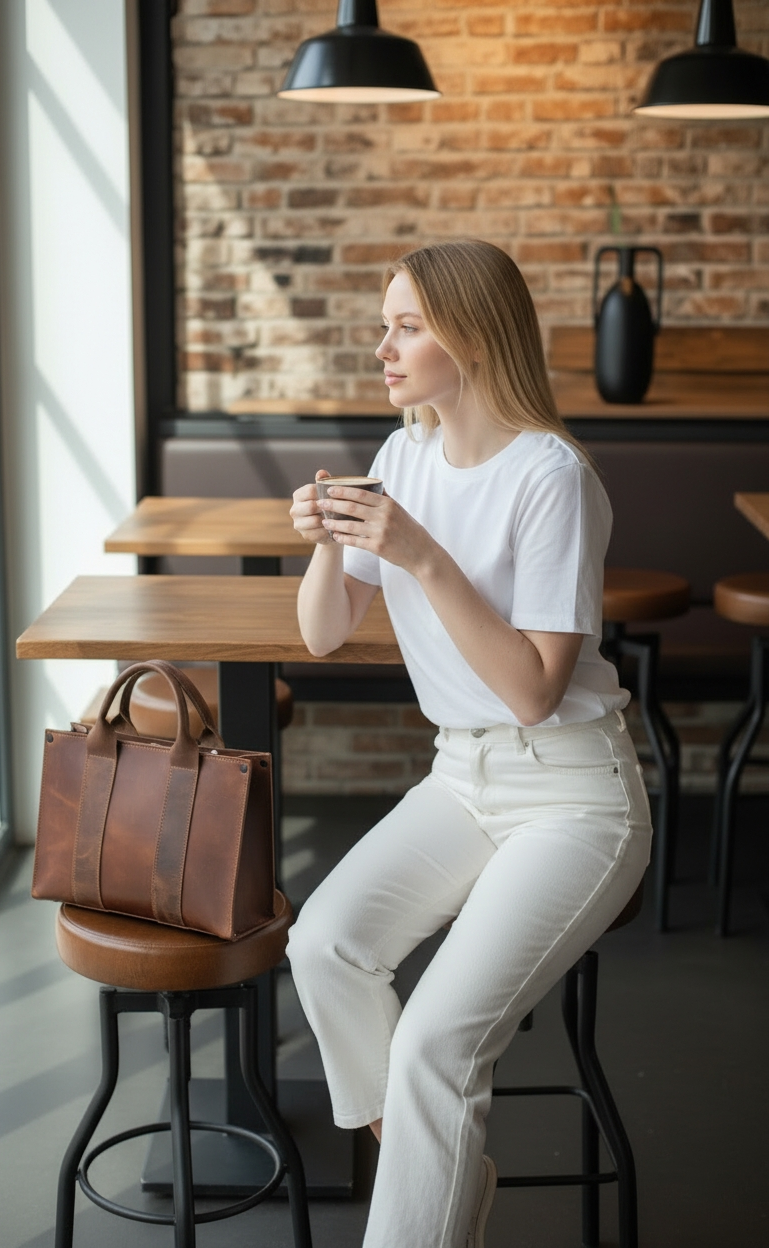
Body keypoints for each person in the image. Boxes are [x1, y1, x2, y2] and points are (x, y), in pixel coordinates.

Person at [286, 239, 652, 1248]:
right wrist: (330, 540)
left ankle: (421, 1197)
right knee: (322, 943)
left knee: (435, 1047)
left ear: (473, 336)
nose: (383, 347)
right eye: (386, 325)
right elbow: (320, 631)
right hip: (462, 778)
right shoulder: (400, 455)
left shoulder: (552, 478)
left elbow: (534, 693)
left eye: (406, 326)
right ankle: (438, 1167)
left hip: (573, 800)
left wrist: (421, 555)